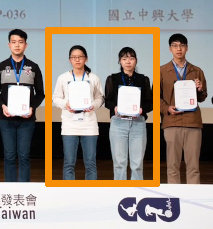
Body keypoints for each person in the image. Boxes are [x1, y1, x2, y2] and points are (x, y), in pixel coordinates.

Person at [0, 29, 45, 182]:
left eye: (20, 42)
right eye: (14, 42)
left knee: (24, 156)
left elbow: (40, 93)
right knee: (9, 156)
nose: (17, 45)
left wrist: (32, 108)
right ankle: (11, 189)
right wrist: (2, 106)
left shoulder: (33, 67)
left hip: (26, 119)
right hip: (6, 118)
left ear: (25, 45)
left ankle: (24, 189)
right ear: (9, 45)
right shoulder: (1, 66)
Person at [160, 33, 207, 184]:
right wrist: (167, 108)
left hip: (192, 122)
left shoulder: (197, 70)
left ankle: (193, 197)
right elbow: (155, 97)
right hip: (171, 122)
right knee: (172, 166)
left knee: (193, 167)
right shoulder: (161, 70)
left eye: (182, 45)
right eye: (175, 46)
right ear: (170, 49)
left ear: (187, 48)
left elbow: (203, 97)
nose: (178, 49)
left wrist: (200, 89)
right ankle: (173, 197)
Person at [52, 45, 104, 180]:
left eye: (80, 57)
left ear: (86, 58)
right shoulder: (63, 78)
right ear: (70, 59)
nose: (77, 60)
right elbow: (55, 98)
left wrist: (93, 105)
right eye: (74, 57)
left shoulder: (93, 78)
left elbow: (100, 97)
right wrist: (66, 104)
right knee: (69, 163)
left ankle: (90, 191)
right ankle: (69, 192)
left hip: (89, 125)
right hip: (69, 125)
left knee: (91, 163)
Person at [104, 47, 153, 180]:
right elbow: (107, 101)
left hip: (138, 123)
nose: (128, 62)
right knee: (119, 163)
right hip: (118, 123)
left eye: (131, 58)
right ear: (120, 61)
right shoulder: (112, 79)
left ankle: (137, 189)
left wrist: (142, 109)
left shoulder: (143, 79)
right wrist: (114, 107)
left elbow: (150, 103)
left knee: (137, 163)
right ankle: (120, 190)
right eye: (124, 58)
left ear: (136, 61)